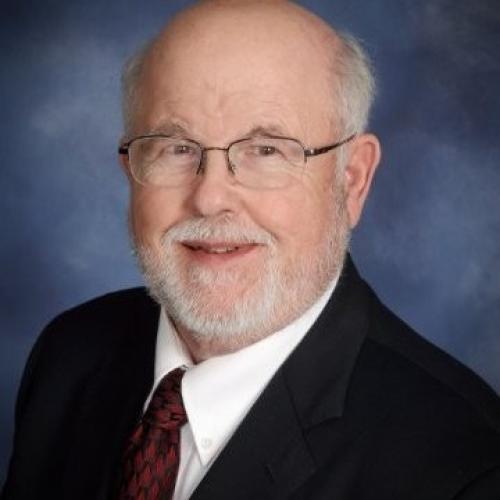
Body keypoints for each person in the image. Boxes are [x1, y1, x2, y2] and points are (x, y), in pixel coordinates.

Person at [3, 1, 500, 499]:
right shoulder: (69, 355)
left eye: (266, 150)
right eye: (177, 148)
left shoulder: (465, 467)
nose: (210, 197)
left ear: (351, 180)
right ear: (131, 170)